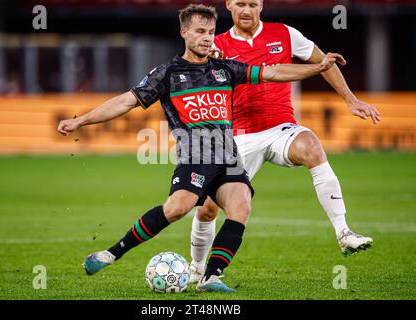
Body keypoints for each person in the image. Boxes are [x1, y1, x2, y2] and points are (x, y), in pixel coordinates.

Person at [57, 4, 344, 293]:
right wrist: (81, 120)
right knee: (177, 208)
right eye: (199, 32)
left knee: (241, 205)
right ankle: (110, 253)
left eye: (209, 32)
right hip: (195, 157)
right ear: (184, 33)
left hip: (229, 157)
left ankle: (211, 277)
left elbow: (273, 72)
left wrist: (317, 67)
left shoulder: (225, 68)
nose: (207, 38)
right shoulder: (167, 73)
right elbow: (126, 101)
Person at [189, 0, 379, 283]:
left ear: (261, 5)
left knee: (312, 147)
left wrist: (350, 99)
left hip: (281, 128)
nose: (246, 10)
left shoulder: (285, 34)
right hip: (238, 137)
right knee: (208, 208)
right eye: (240, 3)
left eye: (252, 4)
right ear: (229, 4)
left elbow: (322, 62)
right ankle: (196, 269)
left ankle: (344, 232)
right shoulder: (216, 44)